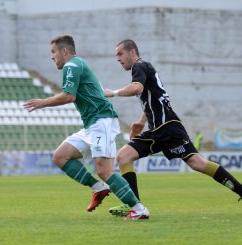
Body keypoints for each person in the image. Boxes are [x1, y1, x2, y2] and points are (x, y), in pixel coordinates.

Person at [104, 39, 242, 217]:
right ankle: (134, 205)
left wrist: (113, 93)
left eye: (120, 54)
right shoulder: (145, 68)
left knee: (198, 164)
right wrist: (140, 122)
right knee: (124, 156)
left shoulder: (139, 66)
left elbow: (137, 88)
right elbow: (155, 97)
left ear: (132, 52)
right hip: (160, 129)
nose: (118, 59)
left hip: (168, 128)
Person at [23, 35, 149, 220]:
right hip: (92, 124)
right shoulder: (77, 65)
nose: (52, 57)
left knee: (104, 170)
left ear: (64, 51)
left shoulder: (71, 65)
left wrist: (42, 103)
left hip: (102, 120)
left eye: (53, 52)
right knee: (60, 156)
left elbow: (69, 96)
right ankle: (98, 188)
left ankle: (139, 209)